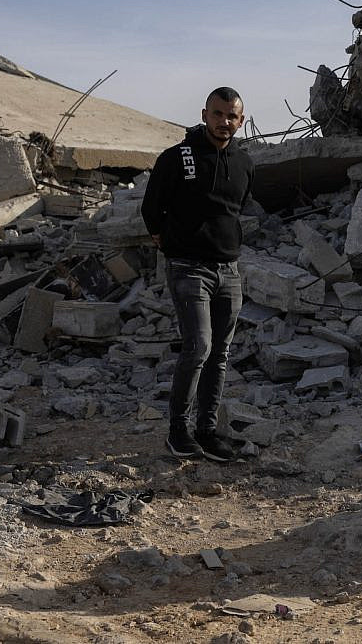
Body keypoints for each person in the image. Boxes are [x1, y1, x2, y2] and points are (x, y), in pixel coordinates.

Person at [141, 87, 255, 461]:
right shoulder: (177, 157)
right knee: (199, 347)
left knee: (219, 353)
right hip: (189, 268)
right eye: (218, 114)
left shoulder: (243, 162)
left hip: (229, 270)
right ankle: (178, 429)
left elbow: (237, 208)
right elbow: (151, 208)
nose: (225, 122)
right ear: (205, 114)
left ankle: (207, 431)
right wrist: (172, 244)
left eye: (232, 116)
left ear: (241, 120)